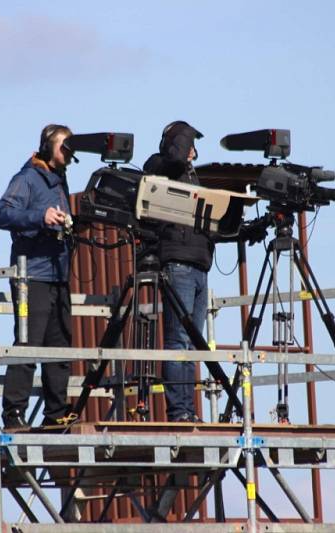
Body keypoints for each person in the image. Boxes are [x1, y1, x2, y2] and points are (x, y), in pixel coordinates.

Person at [0, 124, 75, 429]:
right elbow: (2, 214)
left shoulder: (59, 180)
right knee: (28, 344)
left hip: (58, 275)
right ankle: (13, 413)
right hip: (32, 277)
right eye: (63, 146)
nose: (68, 152)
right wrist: (39, 217)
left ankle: (56, 414)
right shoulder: (27, 178)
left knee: (59, 346)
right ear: (46, 147)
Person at [143, 121, 210, 423]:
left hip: (199, 266)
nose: (194, 150)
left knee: (194, 343)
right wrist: (182, 138)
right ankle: (178, 411)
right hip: (178, 264)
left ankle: (189, 410)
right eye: (190, 143)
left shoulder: (194, 177)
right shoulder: (161, 167)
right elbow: (169, 159)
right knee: (178, 341)